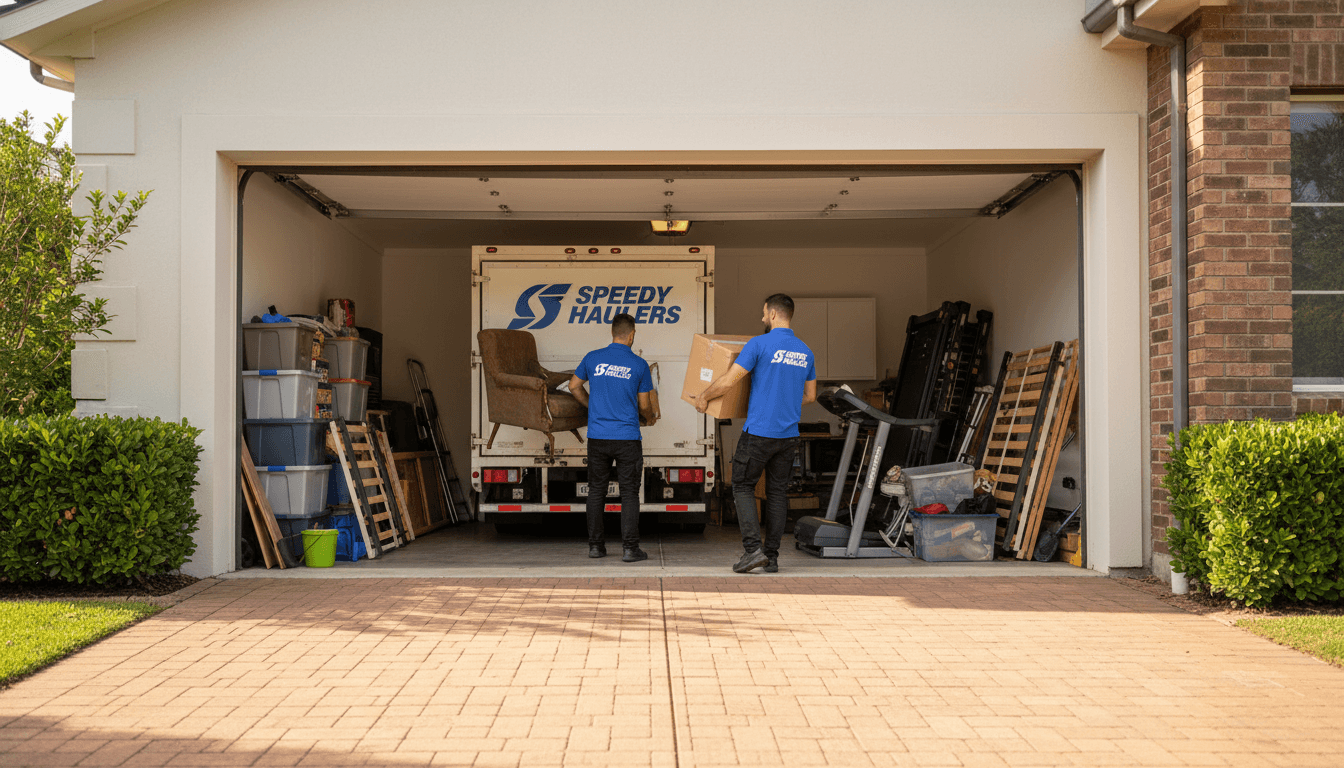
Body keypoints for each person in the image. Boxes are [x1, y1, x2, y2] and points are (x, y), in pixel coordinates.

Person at [695, 293, 816, 573]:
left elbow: (729, 380)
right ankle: (771, 557)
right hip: (788, 435)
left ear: (773, 314)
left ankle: (752, 551)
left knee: (742, 485)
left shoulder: (759, 344)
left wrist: (703, 396)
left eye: (763, 313)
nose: (762, 317)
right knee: (777, 493)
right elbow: (810, 396)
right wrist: (783, 400)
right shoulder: (805, 351)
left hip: (760, 431)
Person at [569, 313, 658, 562]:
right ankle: (630, 549)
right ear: (631, 335)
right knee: (629, 493)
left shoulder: (592, 357)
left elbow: (573, 386)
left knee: (596, 491)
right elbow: (644, 405)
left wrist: (592, 406)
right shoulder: (639, 364)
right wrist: (649, 417)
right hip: (627, 437)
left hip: (598, 437)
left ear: (612, 333)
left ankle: (596, 547)